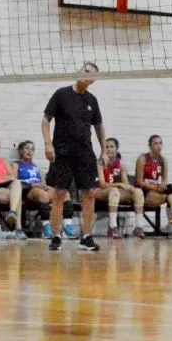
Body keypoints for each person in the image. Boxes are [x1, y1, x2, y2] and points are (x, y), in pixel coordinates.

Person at [42, 62, 109, 253]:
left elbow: (99, 126)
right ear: (79, 72)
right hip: (62, 153)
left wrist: (104, 150)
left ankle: (86, 237)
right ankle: (56, 236)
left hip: (85, 153)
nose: (87, 76)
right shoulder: (61, 94)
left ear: (93, 81)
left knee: (89, 194)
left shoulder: (92, 100)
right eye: (86, 71)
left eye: (92, 75)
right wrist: (48, 144)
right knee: (59, 194)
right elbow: (46, 120)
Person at [15, 140, 65, 239]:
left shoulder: (36, 167)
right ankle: (46, 227)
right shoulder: (16, 165)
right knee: (42, 194)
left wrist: (46, 187)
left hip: (40, 190)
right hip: (27, 191)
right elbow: (13, 181)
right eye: (27, 148)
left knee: (63, 194)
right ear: (21, 151)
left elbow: (43, 183)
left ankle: (66, 226)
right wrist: (33, 185)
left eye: (32, 149)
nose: (30, 151)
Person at [137, 135, 172, 238]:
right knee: (171, 198)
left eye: (160, 143)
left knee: (171, 188)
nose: (159, 146)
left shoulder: (163, 160)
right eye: (155, 143)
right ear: (150, 146)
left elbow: (165, 180)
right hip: (144, 192)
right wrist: (155, 187)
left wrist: (162, 186)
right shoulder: (142, 158)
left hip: (155, 191)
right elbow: (139, 182)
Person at [99, 137, 145, 239]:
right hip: (101, 192)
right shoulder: (101, 163)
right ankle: (112, 228)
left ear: (117, 148)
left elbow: (125, 183)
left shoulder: (121, 165)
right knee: (114, 191)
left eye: (111, 147)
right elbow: (102, 184)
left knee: (138, 192)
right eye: (106, 147)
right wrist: (119, 184)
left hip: (115, 192)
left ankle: (139, 227)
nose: (109, 149)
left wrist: (130, 188)